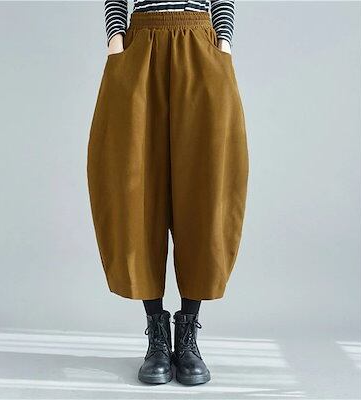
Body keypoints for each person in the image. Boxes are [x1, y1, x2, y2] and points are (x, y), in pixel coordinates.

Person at [87, 0, 249, 386]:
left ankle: (188, 335)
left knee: (206, 185)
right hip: (140, 45)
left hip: (200, 43)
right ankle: (157, 336)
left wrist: (223, 44)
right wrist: (116, 42)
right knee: (135, 186)